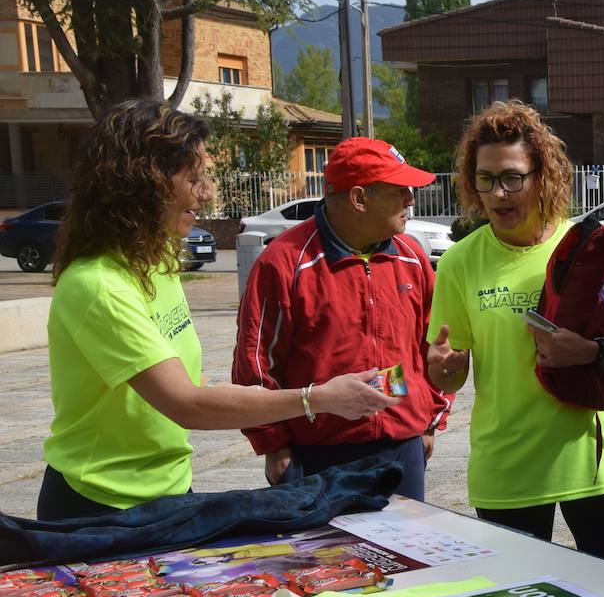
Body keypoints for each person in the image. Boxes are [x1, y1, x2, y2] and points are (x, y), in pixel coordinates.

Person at [39, 99, 392, 521]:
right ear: (143, 183)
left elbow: (194, 383)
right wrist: (316, 399)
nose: (206, 193)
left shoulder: (154, 265)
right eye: (195, 178)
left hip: (167, 491)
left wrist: (293, 399)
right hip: (97, 505)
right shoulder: (97, 285)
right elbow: (187, 403)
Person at [426, 101, 604, 565]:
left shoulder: (592, 249)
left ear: (542, 175)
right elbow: (448, 373)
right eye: (486, 179)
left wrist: (593, 351)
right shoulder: (460, 261)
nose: (499, 194)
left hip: (595, 462)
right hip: (507, 469)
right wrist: (443, 372)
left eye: (512, 177)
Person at [233, 138, 452, 500]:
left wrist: (428, 422)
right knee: (325, 558)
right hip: (318, 454)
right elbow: (255, 364)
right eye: (400, 189)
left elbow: (433, 346)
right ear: (359, 198)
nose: (410, 199)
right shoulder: (285, 261)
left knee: (405, 556)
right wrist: (273, 442)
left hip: (402, 446)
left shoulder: (412, 257)